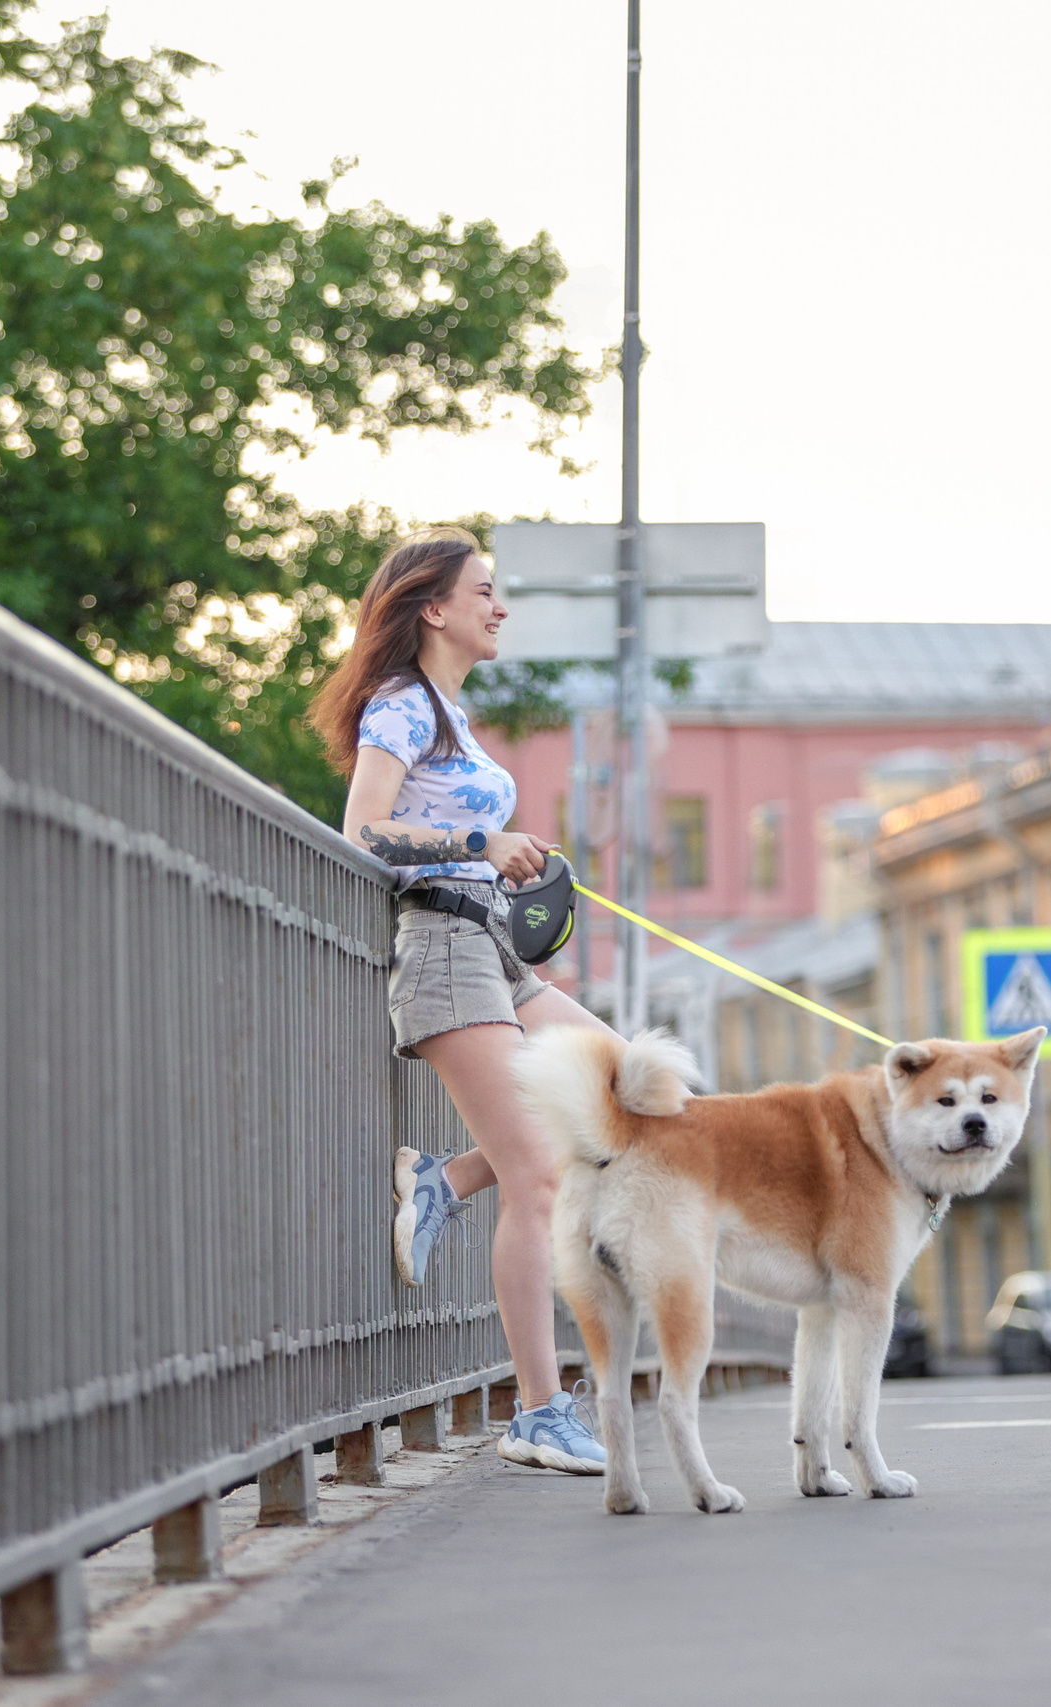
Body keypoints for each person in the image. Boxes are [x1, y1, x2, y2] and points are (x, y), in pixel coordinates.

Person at [308, 525, 612, 1475]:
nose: (500, 606)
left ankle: (444, 1179)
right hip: (443, 947)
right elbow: (363, 833)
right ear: (433, 607)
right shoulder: (402, 706)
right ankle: (537, 1410)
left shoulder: (452, 713)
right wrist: (481, 846)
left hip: (493, 947)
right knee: (544, 1179)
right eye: (484, 590)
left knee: (619, 1092)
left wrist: (501, 860)